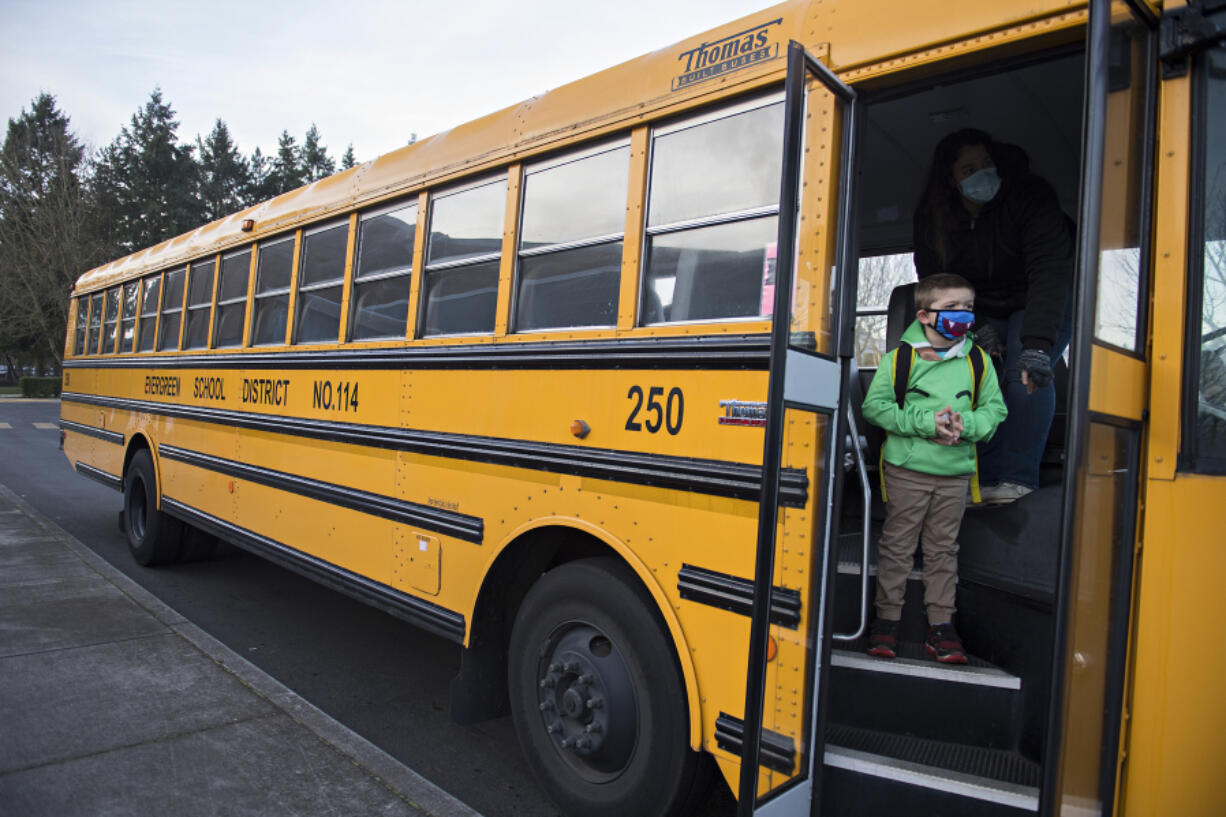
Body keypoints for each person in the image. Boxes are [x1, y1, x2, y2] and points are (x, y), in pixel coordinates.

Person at [913, 128, 1073, 503]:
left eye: (986, 164)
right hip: (982, 306)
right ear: (951, 180)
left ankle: (1017, 480)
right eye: (969, 169)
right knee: (978, 379)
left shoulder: (1030, 197)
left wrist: (1036, 343)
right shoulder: (933, 219)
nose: (981, 173)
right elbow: (940, 284)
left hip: (1040, 297)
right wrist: (977, 327)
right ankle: (981, 480)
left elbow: (1049, 272)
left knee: (1025, 373)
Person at [862, 273, 1007, 663]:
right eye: (951, 308)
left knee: (944, 550)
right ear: (925, 316)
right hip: (908, 469)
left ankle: (941, 626)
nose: (962, 315)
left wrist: (966, 427)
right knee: (898, 545)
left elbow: (995, 410)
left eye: (968, 307)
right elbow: (874, 408)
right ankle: (886, 621)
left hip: (956, 471)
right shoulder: (901, 359)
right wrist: (927, 424)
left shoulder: (978, 361)